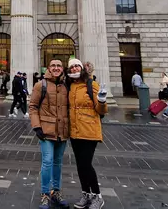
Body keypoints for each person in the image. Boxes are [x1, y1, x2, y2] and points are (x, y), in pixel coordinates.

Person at [66, 58, 108, 209]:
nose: (75, 68)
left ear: (82, 68)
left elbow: (101, 110)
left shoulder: (92, 84)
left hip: (89, 130)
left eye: (77, 66)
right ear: (69, 70)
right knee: (80, 165)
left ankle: (98, 196)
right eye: (72, 67)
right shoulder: (70, 86)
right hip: (75, 131)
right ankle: (86, 194)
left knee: (86, 164)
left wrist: (102, 101)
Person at [29, 58, 70, 209]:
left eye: (59, 65)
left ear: (62, 68)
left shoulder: (67, 85)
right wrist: (36, 126)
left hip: (62, 131)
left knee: (58, 163)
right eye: (53, 65)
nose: (56, 68)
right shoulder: (41, 85)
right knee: (47, 161)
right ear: (48, 68)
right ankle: (45, 194)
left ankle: (56, 192)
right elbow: (33, 106)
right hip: (46, 131)